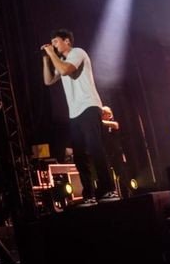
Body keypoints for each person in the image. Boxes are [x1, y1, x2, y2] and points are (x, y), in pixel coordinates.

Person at [42, 29, 116, 203]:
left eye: (56, 42)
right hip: (74, 113)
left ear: (67, 41)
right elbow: (48, 80)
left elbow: (66, 70)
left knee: (95, 148)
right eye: (52, 43)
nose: (53, 45)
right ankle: (89, 194)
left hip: (89, 106)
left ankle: (108, 189)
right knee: (80, 156)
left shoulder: (77, 53)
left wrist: (52, 54)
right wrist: (46, 59)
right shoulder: (61, 61)